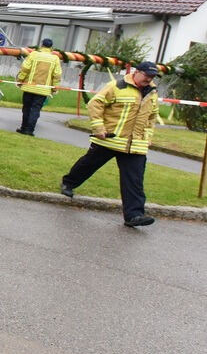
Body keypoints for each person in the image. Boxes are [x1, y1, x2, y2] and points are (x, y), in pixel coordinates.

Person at [61, 61, 161, 227]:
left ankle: (134, 215)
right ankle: (68, 183)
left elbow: (152, 117)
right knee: (88, 164)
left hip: (136, 146)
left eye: (152, 77)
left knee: (134, 180)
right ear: (137, 72)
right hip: (110, 139)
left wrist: (148, 136)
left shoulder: (153, 92)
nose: (149, 79)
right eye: (147, 75)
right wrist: (98, 127)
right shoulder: (117, 86)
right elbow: (95, 104)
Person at [16, 38, 63, 135]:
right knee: (36, 110)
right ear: (51, 47)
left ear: (41, 45)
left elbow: (25, 68)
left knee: (26, 108)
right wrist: (55, 87)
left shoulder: (33, 54)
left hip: (29, 87)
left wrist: (20, 80)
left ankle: (23, 128)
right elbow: (57, 74)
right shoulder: (55, 58)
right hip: (43, 90)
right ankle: (30, 130)